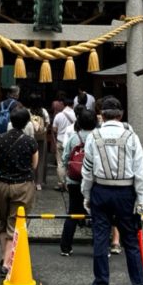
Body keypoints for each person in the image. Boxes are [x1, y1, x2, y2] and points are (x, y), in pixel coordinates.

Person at [82, 96, 143, 285]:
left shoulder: (94, 136)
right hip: (125, 193)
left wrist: (86, 195)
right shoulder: (131, 137)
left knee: (101, 239)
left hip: (100, 190)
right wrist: (141, 199)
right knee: (130, 241)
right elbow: (140, 171)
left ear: (101, 115)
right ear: (121, 115)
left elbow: (87, 170)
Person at [0, 108, 38, 274]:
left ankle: (5, 257)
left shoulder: (0, 139)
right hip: (23, 185)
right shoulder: (30, 142)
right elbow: (34, 165)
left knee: (3, 221)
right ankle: (7, 264)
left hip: (2, 184)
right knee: (15, 223)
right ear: (26, 122)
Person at [60, 108, 97, 256]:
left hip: (74, 180)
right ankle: (99, 247)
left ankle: (65, 247)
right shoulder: (97, 137)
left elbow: (65, 158)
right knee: (98, 214)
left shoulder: (74, 138)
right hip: (95, 180)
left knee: (73, 213)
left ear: (79, 122)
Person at [52, 97, 76, 191]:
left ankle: (62, 183)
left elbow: (54, 129)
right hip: (72, 142)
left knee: (60, 163)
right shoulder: (75, 114)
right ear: (73, 105)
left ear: (64, 104)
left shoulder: (59, 115)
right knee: (71, 162)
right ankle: (70, 183)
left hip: (61, 141)